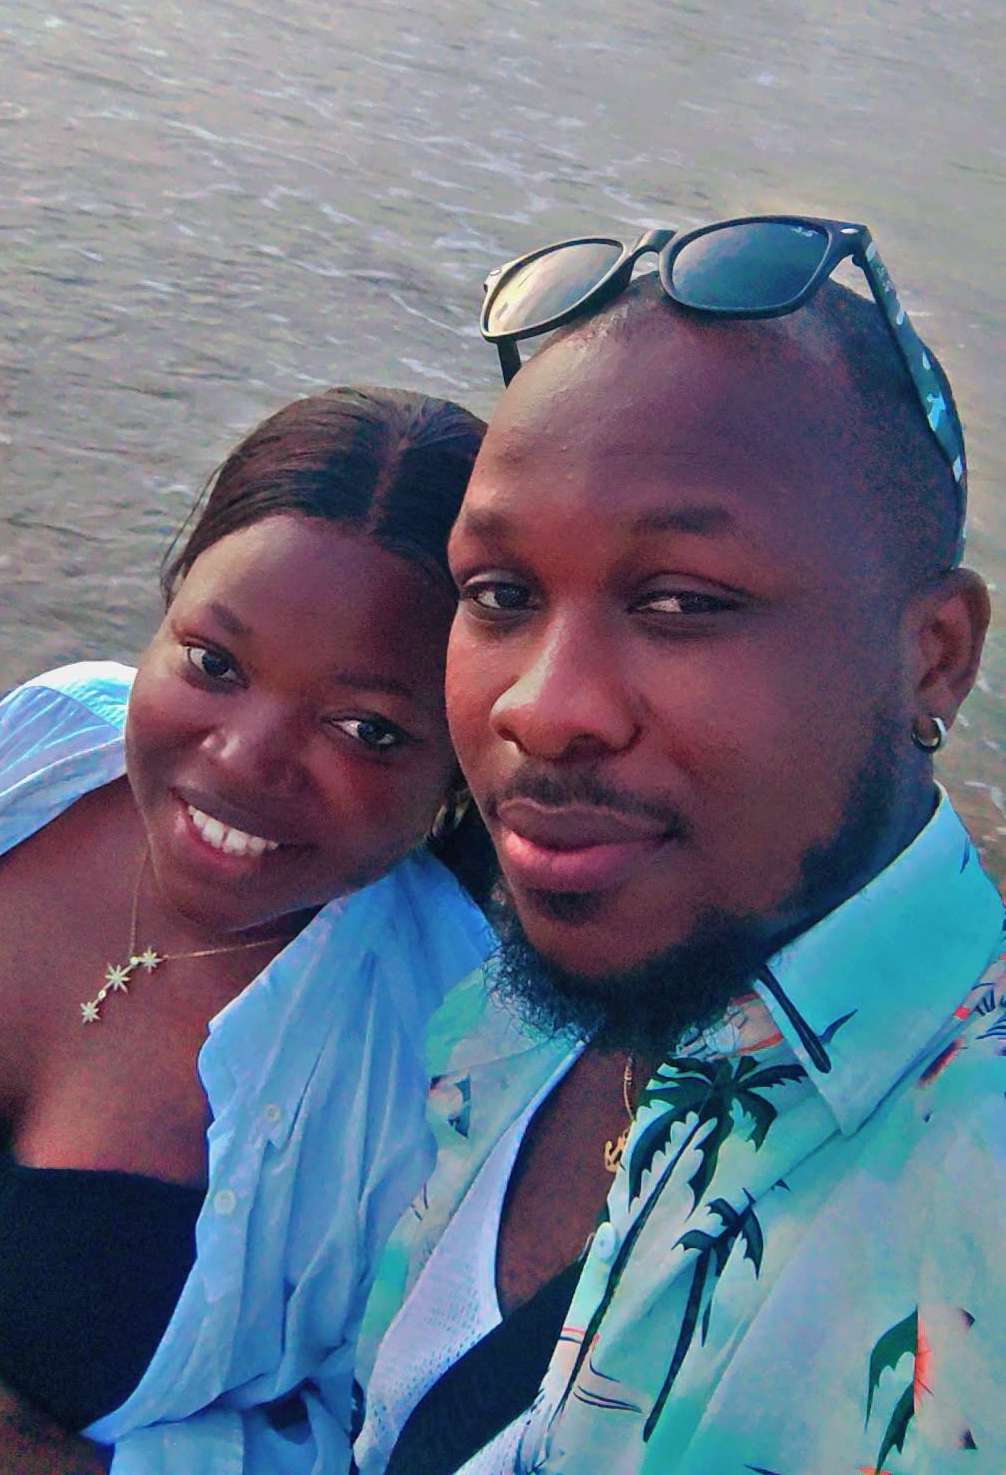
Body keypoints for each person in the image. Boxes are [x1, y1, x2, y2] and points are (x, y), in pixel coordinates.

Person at [354, 217, 1005, 1473]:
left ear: (933, 657)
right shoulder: (508, 995)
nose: (539, 706)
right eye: (500, 595)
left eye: (682, 603)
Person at [0, 386, 494, 1475]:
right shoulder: (45, 744)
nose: (242, 759)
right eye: (214, 664)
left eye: (366, 728)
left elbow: (396, 1435)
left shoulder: (454, 1052)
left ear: (464, 761)